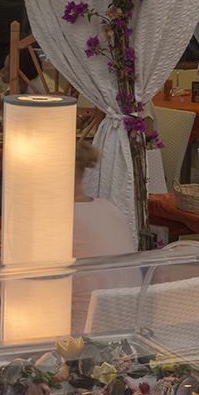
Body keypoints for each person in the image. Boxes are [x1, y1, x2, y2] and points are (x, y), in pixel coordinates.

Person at [71, 141, 137, 330]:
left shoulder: (63, 219)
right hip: (128, 331)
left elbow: (32, 280)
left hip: (79, 342)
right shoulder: (111, 209)